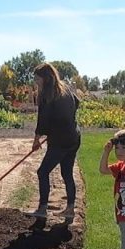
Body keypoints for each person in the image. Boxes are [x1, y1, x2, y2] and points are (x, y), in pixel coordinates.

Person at [24, 62, 81, 219]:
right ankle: (70, 209)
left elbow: (42, 120)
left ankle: (42, 209)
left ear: (46, 78)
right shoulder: (65, 88)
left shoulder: (46, 94)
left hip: (60, 141)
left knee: (42, 172)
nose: (36, 82)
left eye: (37, 79)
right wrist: (64, 120)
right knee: (67, 173)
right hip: (74, 137)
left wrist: (36, 140)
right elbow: (77, 102)